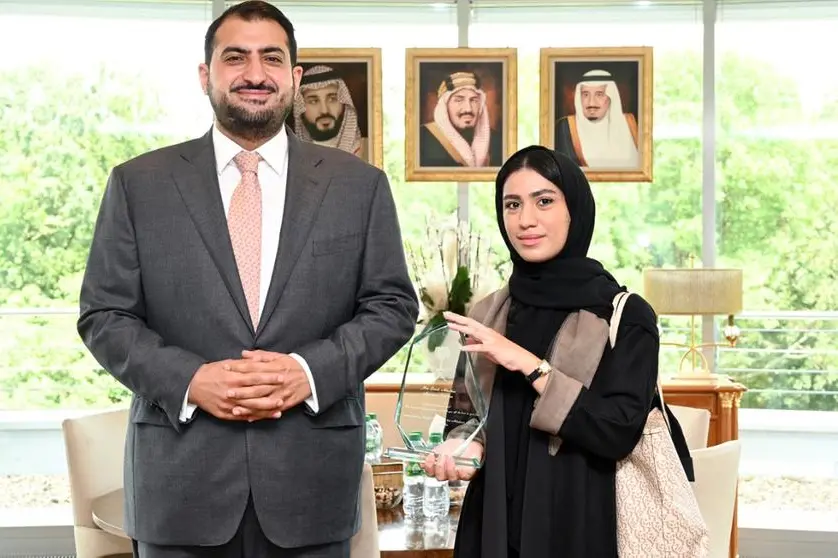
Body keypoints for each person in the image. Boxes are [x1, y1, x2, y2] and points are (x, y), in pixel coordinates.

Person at [77, 2, 419, 557]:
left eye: (272, 58)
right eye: (235, 57)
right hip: (179, 490)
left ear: (295, 77)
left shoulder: (360, 186)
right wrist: (191, 381)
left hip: (313, 489)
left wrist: (308, 372)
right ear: (205, 74)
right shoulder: (138, 184)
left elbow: (392, 307)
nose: (255, 73)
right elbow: (105, 316)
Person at [422, 146, 692, 557]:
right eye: (512, 204)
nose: (525, 220)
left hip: (581, 525)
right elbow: (465, 418)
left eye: (544, 201)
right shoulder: (488, 312)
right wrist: (465, 447)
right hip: (492, 523)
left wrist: (529, 365)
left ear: (574, 211)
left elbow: (616, 432)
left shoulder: (625, 316)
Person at [554, 69, 640, 169]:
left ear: (611, 97)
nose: (591, 102)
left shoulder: (632, 124)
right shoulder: (564, 128)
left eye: (599, 94)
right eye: (585, 94)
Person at [419, 70, 503, 168]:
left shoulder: (497, 140)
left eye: (474, 100)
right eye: (459, 100)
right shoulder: (423, 138)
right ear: (445, 107)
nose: (468, 109)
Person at [293, 64, 366, 160]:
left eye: (332, 99)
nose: (324, 110)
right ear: (301, 107)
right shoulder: (291, 154)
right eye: (313, 101)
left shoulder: (369, 147)